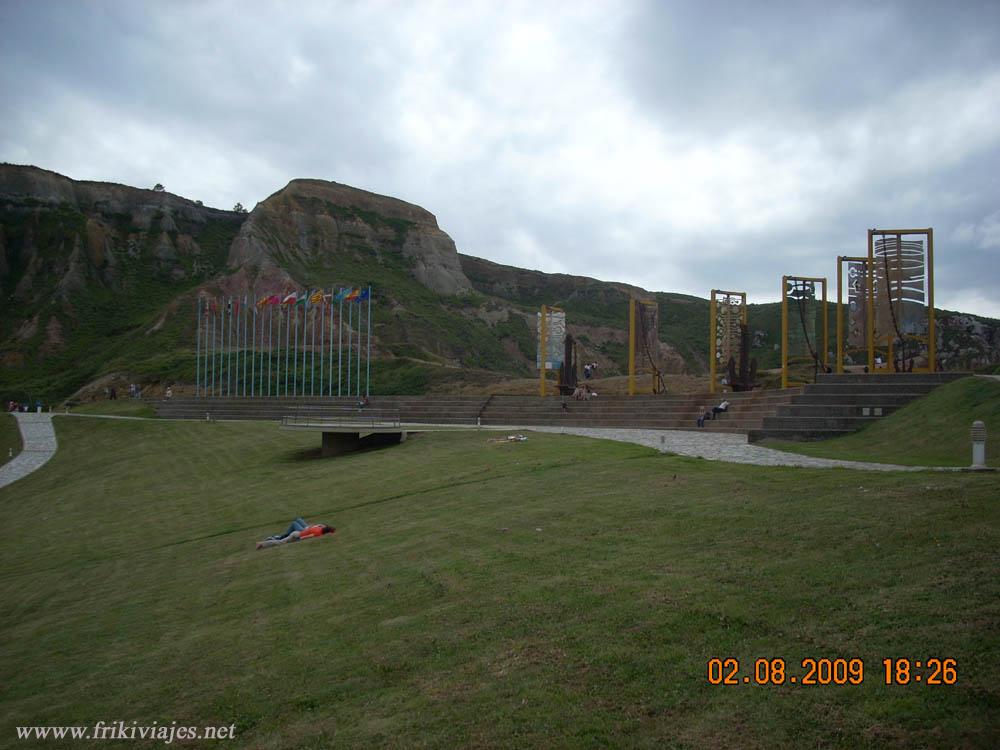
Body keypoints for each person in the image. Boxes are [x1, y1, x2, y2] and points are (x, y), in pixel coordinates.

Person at [256, 518, 335, 549]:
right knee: (281, 542)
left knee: (281, 540)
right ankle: (261, 544)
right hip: (296, 535)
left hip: (298, 533)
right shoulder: (319, 534)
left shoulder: (320, 527)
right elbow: (308, 537)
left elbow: (319, 525)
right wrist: (299, 539)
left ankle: (266, 541)